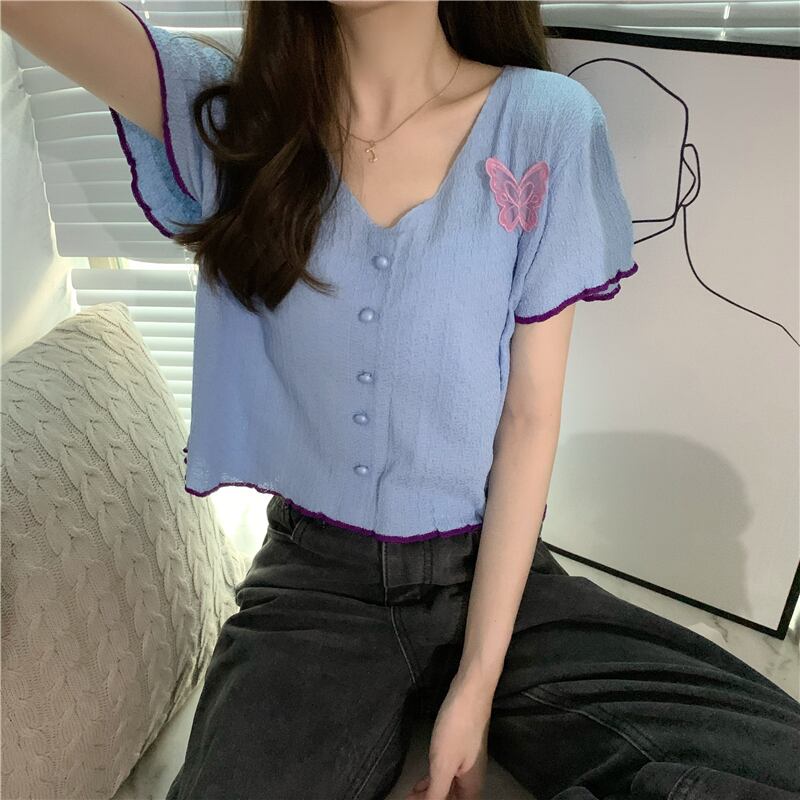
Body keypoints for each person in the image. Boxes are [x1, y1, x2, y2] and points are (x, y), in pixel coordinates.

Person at [4, 2, 798, 798]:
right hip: (315, 584)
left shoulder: (545, 122)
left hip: (494, 573)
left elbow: (528, 418)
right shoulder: (243, 121)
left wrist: (476, 683)